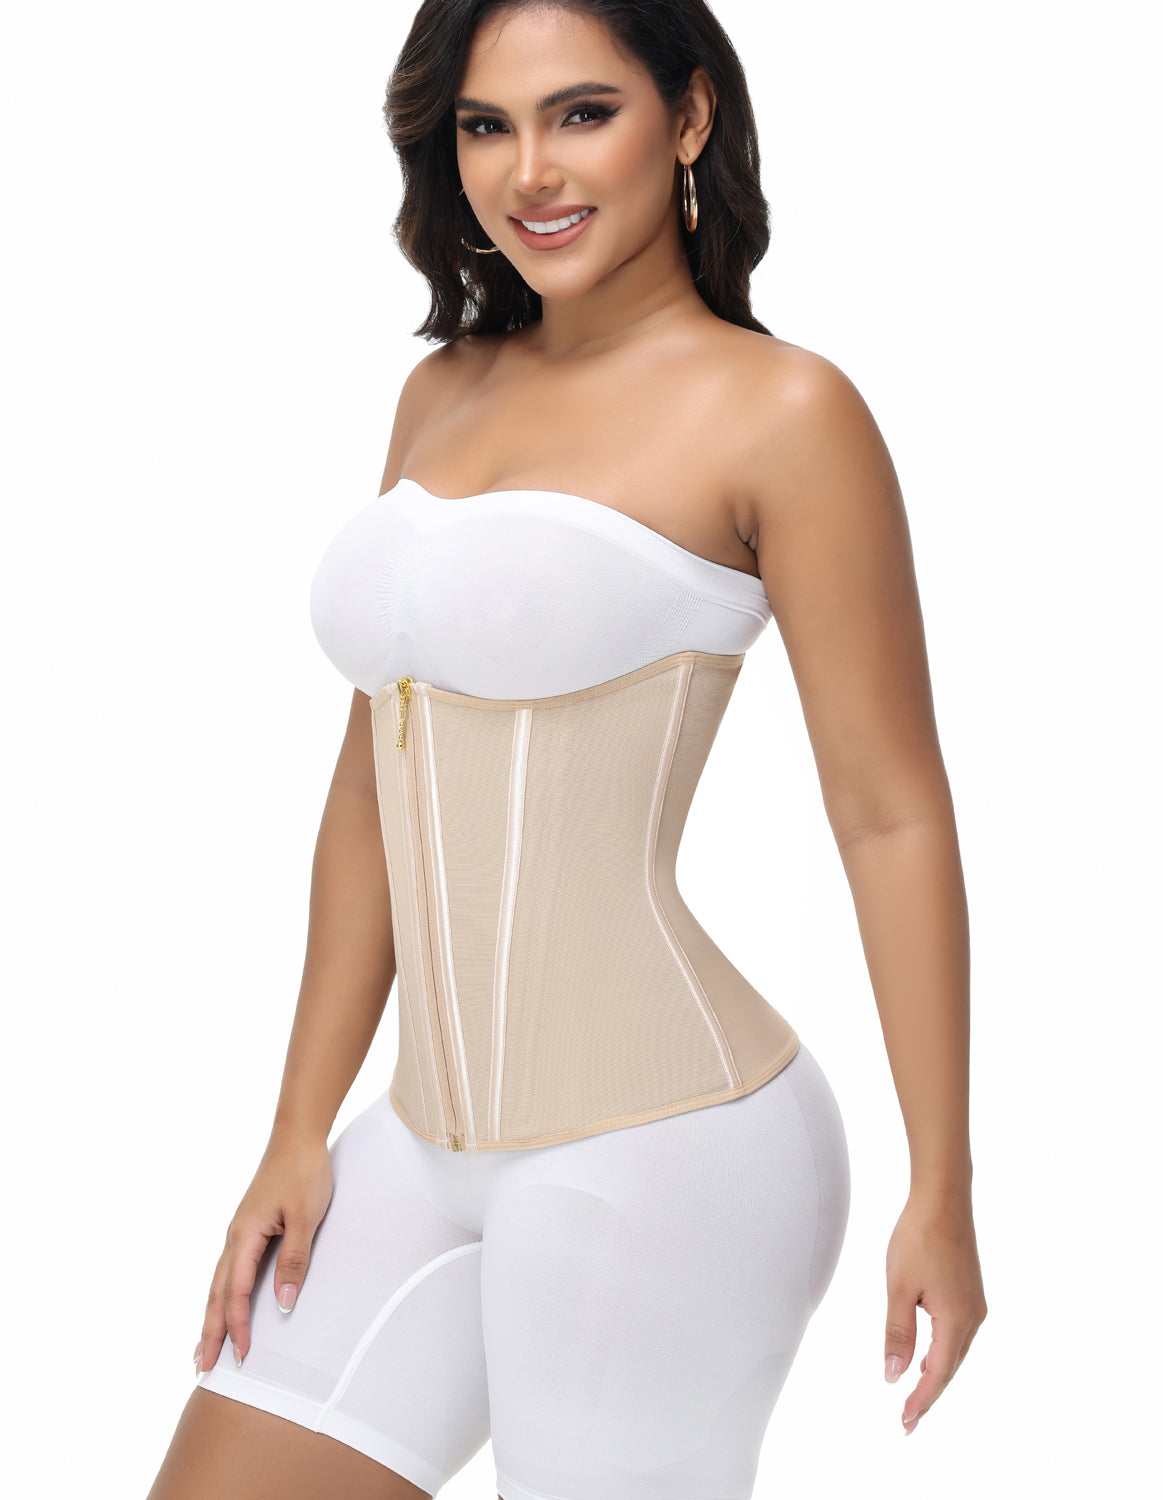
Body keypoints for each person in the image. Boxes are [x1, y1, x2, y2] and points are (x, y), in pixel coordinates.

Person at [147, 1, 986, 1496]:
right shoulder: (441, 391)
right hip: (419, 1142)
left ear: (690, 116)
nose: (530, 170)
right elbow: (370, 794)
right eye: (487, 125)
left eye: (582, 113)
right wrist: (296, 1128)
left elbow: (887, 813)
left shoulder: (784, 410)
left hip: (670, 1150)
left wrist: (944, 1184)